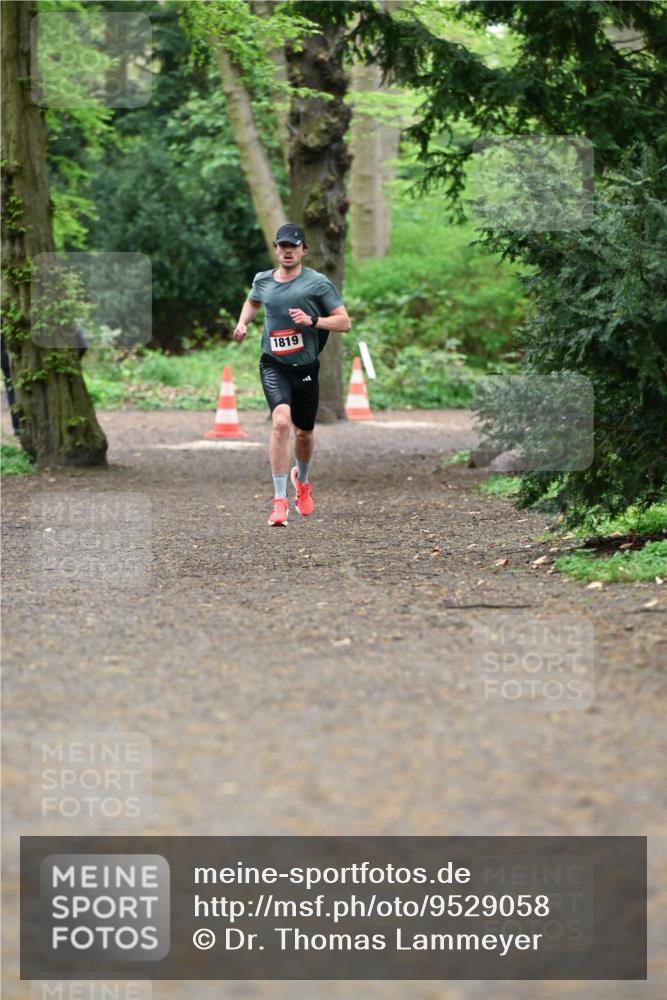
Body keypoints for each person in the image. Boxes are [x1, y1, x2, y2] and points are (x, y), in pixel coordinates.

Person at [233, 224, 351, 526]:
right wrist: (243, 323)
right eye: (282, 246)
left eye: (293, 246)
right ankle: (279, 501)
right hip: (274, 364)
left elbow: (344, 323)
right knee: (281, 423)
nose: (287, 251)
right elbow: (253, 300)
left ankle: (303, 480)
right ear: (275, 249)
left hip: (306, 368)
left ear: (304, 251)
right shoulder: (263, 280)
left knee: (304, 433)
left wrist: (312, 320)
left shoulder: (318, 284)